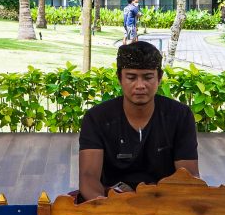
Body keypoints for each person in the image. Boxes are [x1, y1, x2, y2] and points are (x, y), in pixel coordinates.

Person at [77, 41, 199, 202]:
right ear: (119, 78)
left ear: (159, 78)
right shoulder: (97, 118)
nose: (140, 85)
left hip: (166, 204)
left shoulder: (180, 116)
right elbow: (88, 177)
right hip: (112, 203)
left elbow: (189, 177)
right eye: (131, 77)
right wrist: (107, 211)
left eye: (148, 77)